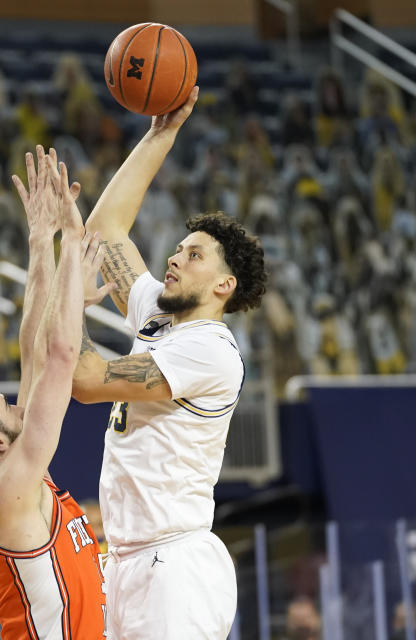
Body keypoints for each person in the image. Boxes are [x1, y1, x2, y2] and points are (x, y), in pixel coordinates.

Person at [71, 87, 268, 639]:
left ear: (224, 286)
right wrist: (160, 134)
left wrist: (68, 297)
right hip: (129, 557)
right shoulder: (160, 317)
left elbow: (86, 381)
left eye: (195, 254)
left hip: (174, 562)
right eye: (179, 248)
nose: (176, 256)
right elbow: (106, 232)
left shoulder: (209, 348)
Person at [0, 148, 107, 638]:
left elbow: (32, 349)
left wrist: (39, 242)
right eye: (5, 407)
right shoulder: (11, 490)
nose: (16, 404)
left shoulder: (18, 475)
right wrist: (71, 242)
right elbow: (60, 356)